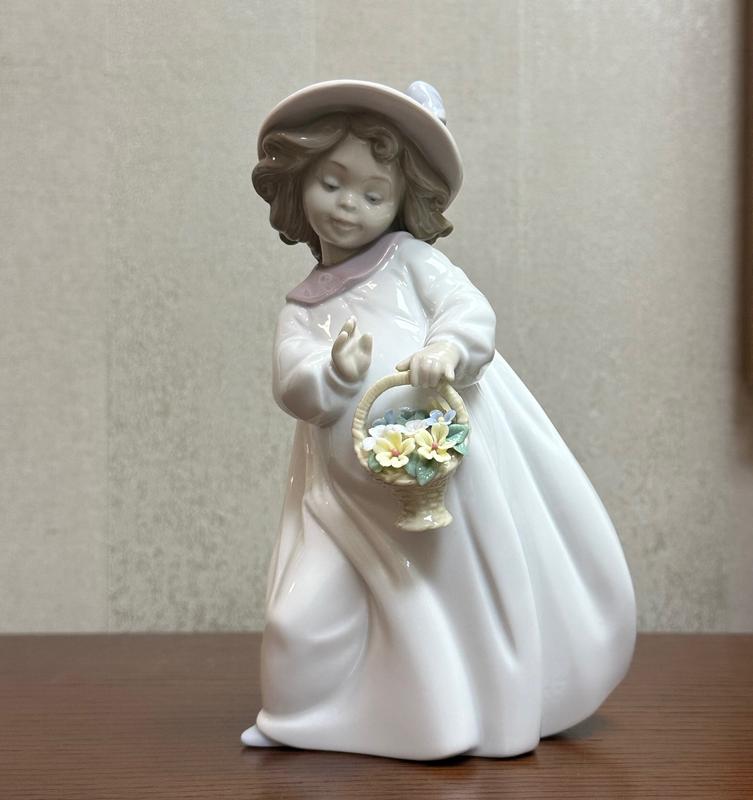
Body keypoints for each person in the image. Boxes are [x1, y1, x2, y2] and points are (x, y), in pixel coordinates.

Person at [242, 80, 636, 760]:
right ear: (298, 183)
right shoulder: (303, 308)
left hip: (441, 477)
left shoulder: (413, 263)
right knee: (302, 613)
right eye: (332, 183)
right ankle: (303, 714)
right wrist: (333, 373)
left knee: (449, 600)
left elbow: (468, 309)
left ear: (401, 203)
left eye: (373, 194)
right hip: (345, 500)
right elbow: (293, 383)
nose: (348, 205)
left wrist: (448, 348)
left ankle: (458, 714)